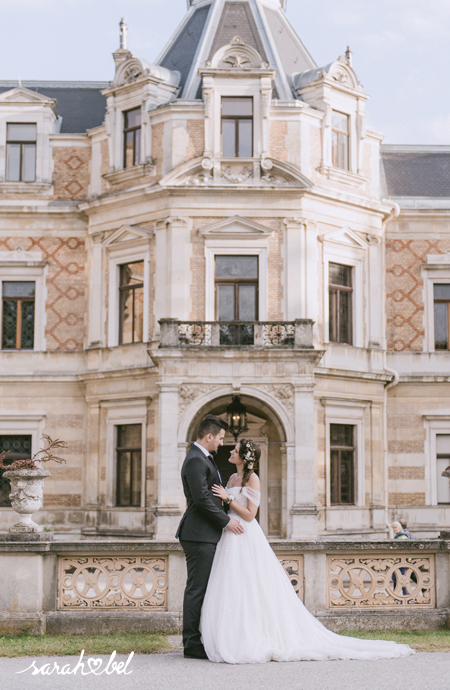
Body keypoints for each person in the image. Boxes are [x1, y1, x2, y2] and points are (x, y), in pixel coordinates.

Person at [199, 438, 414, 664]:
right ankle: (232, 634)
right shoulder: (232, 477)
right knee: (231, 584)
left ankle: (252, 637)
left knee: (250, 585)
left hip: (244, 532)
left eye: (235, 450)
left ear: (244, 456)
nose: (230, 451)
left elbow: (251, 514)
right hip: (229, 533)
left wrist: (228, 498)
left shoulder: (252, 478)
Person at [176, 414, 244, 660]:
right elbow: (202, 498)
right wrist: (226, 521)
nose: (221, 443)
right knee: (196, 589)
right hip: (198, 534)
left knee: (205, 588)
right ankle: (192, 644)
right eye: (220, 438)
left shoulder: (202, 458)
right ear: (208, 436)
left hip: (205, 533)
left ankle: (202, 638)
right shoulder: (195, 460)